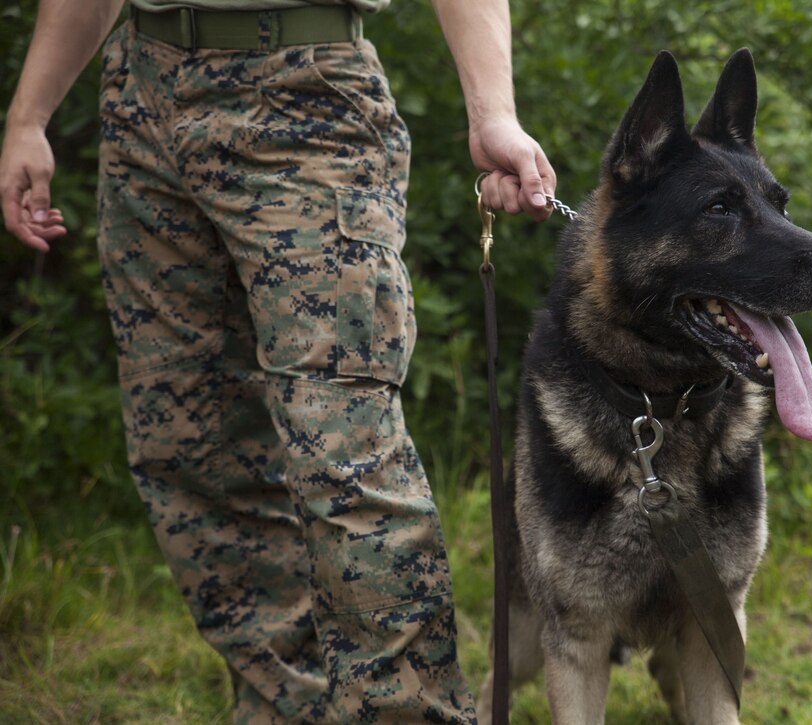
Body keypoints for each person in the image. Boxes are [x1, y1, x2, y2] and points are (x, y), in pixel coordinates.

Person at [1, 0, 555, 722]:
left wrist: (493, 113)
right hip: (144, 100)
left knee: (345, 452)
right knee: (193, 445)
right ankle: (287, 704)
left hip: (309, 97)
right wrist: (28, 117)